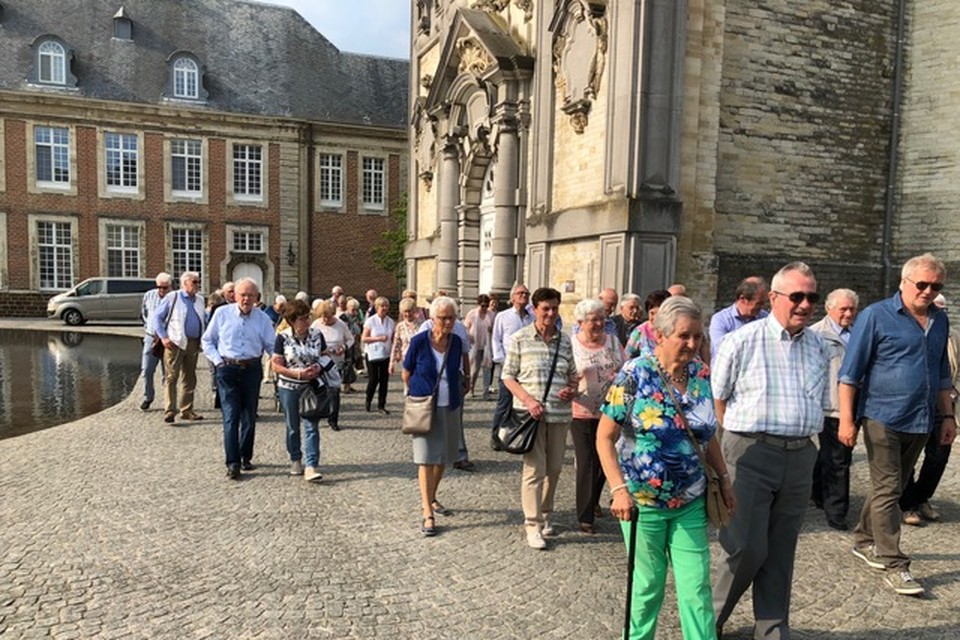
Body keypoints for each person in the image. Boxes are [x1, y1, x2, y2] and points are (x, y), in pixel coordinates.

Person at [598, 296, 734, 639]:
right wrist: (618, 490)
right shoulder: (635, 374)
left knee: (697, 589)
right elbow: (604, 437)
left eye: (697, 337)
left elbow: (707, 435)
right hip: (642, 505)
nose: (692, 344)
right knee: (647, 588)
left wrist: (724, 478)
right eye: (684, 336)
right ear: (661, 335)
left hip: (690, 502)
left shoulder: (701, 374)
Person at [711, 262, 829, 638]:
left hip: (800, 455)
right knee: (744, 547)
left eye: (811, 296)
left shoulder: (819, 346)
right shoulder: (741, 341)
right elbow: (718, 398)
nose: (805, 304)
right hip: (750, 453)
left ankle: (772, 627)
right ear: (774, 298)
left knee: (781, 550)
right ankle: (707, 621)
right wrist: (732, 445)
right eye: (797, 296)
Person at [839, 253, 956, 596]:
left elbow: (942, 373)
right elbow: (850, 374)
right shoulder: (875, 316)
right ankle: (894, 562)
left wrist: (947, 416)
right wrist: (847, 420)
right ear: (903, 283)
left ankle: (863, 537)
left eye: (936, 286)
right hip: (881, 416)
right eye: (922, 284)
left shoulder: (940, 320)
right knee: (891, 489)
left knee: (891, 484)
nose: (929, 291)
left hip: (921, 419)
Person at [501, 287, 579, 549]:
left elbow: (573, 374)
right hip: (531, 416)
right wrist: (528, 400)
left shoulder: (565, 341)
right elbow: (507, 376)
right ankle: (532, 524)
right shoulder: (521, 338)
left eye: (554, 308)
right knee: (534, 470)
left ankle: (546, 514)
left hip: (559, 414)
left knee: (555, 469)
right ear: (534, 309)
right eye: (545, 308)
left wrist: (572, 389)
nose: (550, 313)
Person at [402, 296, 468, 537]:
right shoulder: (420, 341)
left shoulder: (457, 342)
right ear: (432, 318)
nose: (448, 322)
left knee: (443, 459)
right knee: (426, 459)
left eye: (452, 317)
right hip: (424, 406)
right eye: (443, 317)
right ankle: (427, 511)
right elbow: (406, 372)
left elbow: (459, 369)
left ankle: (430, 496)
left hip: (449, 405)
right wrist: (418, 394)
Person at [202, 278, 277, 480]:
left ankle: (246, 456)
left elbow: (272, 345)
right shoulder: (222, 314)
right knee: (231, 415)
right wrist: (218, 362)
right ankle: (232, 462)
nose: (246, 299)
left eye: (250, 295)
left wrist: (281, 362)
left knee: (249, 416)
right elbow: (207, 341)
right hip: (228, 369)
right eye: (242, 294)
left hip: (252, 368)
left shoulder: (262, 318)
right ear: (234, 296)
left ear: (256, 297)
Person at [901, 292, 958, 525]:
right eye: (936, 307)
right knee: (908, 455)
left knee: (939, 455)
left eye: (943, 309)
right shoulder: (910, 332)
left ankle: (921, 497)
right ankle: (907, 505)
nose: (940, 312)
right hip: (913, 404)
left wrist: (954, 390)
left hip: (943, 404)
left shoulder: (953, 336)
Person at [570, 298, 624, 534]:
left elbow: (626, 366)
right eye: (594, 320)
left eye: (602, 319)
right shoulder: (572, 345)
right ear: (581, 322)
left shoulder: (613, 341)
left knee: (605, 461)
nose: (599, 323)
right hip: (581, 411)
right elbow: (565, 373)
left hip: (611, 411)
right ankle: (586, 516)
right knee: (587, 461)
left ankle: (592, 501)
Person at [809, 288, 859, 530]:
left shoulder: (859, 333)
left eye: (852, 309)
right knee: (839, 458)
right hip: (831, 406)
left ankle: (817, 490)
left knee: (832, 454)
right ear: (829, 309)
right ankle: (836, 512)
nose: (848, 313)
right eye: (844, 309)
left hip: (857, 403)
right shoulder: (817, 334)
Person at [273, 299, 329, 482]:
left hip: (311, 386)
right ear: (291, 320)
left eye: (308, 317)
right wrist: (297, 374)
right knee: (292, 426)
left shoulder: (317, 335)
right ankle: (295, 458)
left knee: (311, 425)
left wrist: (318, 369)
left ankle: (311, 465)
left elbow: (326, 357)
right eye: (302, 318)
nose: (307, 321)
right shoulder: (282, 338)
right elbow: (276, 365)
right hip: (289, 387)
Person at [154, 271, 206, 424]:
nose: (197, 285)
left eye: (198, 281)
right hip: (174, 343)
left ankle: (187, 410)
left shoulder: (200, 300)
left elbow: (204, 319)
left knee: (190, 377)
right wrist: (163, 337)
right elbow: (157, 317)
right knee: (172, 376)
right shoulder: (173, 297)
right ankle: (170, 410)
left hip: (193, 342)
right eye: (194, 282)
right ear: (185, 283)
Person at [490, 283, 534, 449]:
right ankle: (496, 436)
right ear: (512, 297)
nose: (524, 295)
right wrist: (500, 359)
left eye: (526, 293)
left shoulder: (531, 318)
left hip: (526, 366)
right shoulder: (503, 316)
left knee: (523, 402)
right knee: (505, 401)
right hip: (508, 365)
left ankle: (519, 435)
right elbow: (496, 339)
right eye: (520, 293)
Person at [311, 300, 353, 431]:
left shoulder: (340, 325)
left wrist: (344, 347)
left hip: (336, 362)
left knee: (334, 391)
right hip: (321, 362)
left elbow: (350, 339)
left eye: (328, 316)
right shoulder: (316, 324)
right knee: (319, 390)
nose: (325, 319)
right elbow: (310, 341)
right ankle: (318, 414)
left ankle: (333, 419)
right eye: (323, 316)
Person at [708, 276, 768, 359]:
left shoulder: (766, 318)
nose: (762, 307)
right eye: (759, 303)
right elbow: (722, 350)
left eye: (764, 302)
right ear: (742, 299)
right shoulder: (720, 319)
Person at [139, 272, 173, 411]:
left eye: (165, 287)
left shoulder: (175, 298)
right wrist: (148, 328)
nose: (162, 290)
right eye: (160, 287)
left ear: (170, 286)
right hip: (151, 337)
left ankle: (168, 402)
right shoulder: (149, 295)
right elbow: (144, 313)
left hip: (168, 339)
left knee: (168, 373)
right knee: (146, 370)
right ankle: (148, 397)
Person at [362, 296, 395, 413]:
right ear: (376, 307)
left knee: (384, 380)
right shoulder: (371, 321)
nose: (384, 308)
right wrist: (378, 338)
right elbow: (364, 338)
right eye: (382, 306)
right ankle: (368, 400)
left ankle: (381, 405)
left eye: (386, 306)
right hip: (372, 353)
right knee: (373, 379)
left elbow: (393, 339)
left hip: (385, 353)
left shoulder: (390, 322)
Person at [464, 294, 495, 399]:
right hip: (475, 345)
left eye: (486, 306)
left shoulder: (491, 315)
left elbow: (495, 328)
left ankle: (486, 392)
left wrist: (492, 330)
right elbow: (466, 328)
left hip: (487, 345)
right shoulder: (472, 314)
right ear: (478, 305)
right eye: (483, 306)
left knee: (487, 368)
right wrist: (469, 336)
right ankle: (471, 389)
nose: (485, 308)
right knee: (474, 369)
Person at [625, 290, 672, 358]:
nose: (655, 318)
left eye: (659, 314)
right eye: (652, 313)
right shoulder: (640, 332)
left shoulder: (674, 331)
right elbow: (626, 357)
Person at [390, 298, 422, 379]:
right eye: (405, 312)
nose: (407, 314)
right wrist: (391, 362)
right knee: (407, 379)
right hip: (406, 357)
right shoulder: (400, 326)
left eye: (409, 311)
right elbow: (396, 344)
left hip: (420, 357)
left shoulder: (421, 324)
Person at [339, 297, 364, 393]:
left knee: (353, 363)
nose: (355, 311)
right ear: (348, 308)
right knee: (347, 365)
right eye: (353, 309)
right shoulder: (343, 317)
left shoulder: (357, 317)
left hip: (355, 343)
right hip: (346, 344)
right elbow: (343, 330)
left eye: (356, 309)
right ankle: (345, 386)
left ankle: (349, 385)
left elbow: (360, 328)